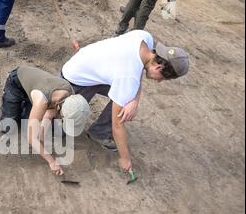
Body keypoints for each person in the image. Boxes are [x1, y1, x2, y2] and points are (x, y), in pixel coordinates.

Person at [61, 30, 189, 172]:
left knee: (127, 97)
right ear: (159, 66)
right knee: (61, 129)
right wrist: (125, 158)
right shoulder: (128, 78)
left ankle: (99, 132)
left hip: (92, 68)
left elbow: (138, 70)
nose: (159, 82)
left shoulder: (144, 38)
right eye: (162, 78)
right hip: (73, 79)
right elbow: (118, 126)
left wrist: (134, 100)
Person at [0, 66, 90, 175]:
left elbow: (49, 113)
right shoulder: (42, 101)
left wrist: (41, 139)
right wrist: (51, 162)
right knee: (8, 127)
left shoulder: (70, 96)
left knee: (32, 125)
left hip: (38, 91)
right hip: (16, 84)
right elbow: (31, 138)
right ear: (61, 110)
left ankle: (28, 104)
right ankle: (20, 103)